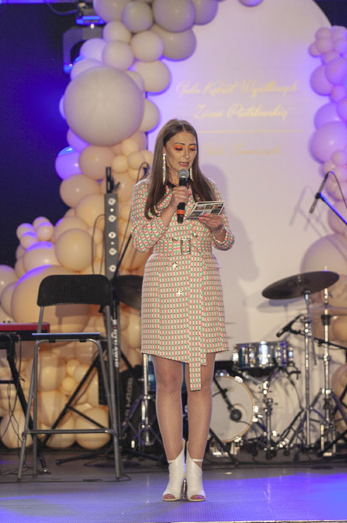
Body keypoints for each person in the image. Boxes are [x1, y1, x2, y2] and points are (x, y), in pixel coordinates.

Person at [131, 118, 234, 502]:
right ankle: (174, 472)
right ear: (164, 150)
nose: (186, 155)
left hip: (202, 283)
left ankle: (196, 470)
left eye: (192, 148)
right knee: (168, 382)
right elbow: (141, 241)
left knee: (200, 382)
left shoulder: (207, 188)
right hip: (163, 283)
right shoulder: (145, 191)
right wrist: (170, 205)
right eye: (179, 148)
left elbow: (226, 241)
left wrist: (218, 227)